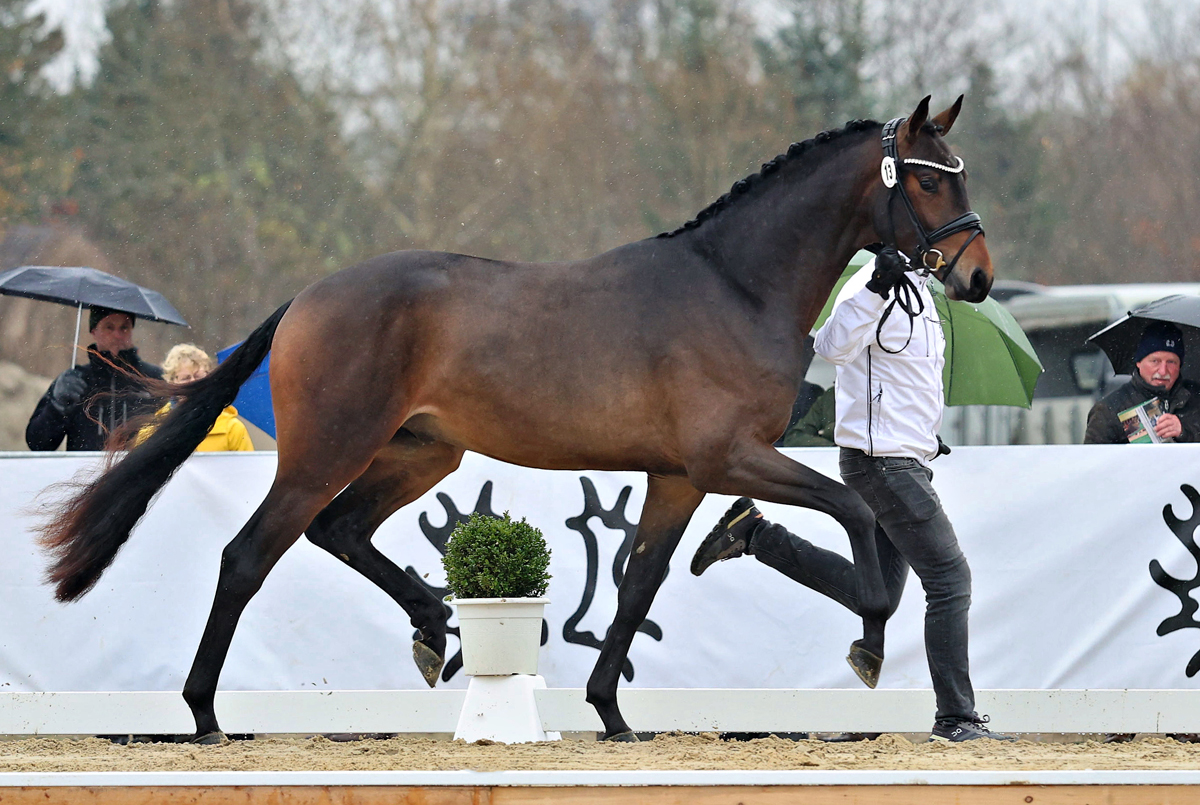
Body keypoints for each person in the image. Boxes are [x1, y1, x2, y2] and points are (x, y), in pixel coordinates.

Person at [692, 249, 1014, 743]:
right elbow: (832, 347)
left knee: (879, 597)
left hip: (906, 461)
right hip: (883, 464)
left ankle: (755, 534)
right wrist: (873, 288)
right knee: (950, 580)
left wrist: (926, 438)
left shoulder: (924, 294)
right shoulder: (874, 280)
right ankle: (956, 719)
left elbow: (907, 382)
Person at [26, 307, 163, 451]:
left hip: (138, 471)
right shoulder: (74, 381)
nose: (118, 335)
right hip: (84, 471)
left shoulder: (154, 379)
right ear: (94, 332)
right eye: (109, 327)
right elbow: (38, 444)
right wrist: (57, 407)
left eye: (124, 328)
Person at [1084, 321, 1198, 444]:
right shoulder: (1110, 408)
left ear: (1180, 365)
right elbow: (1093, 459)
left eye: (1171, 362)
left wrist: (1184, 432)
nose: (1163, 370)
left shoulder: (1196, 397)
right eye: (1155, 361)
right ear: (1138, 362)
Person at [136, 344, 254, 451]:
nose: (194, 384)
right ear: (172, 383)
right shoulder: (152, 432)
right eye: (185, 378)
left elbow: (249, 472)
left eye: (199, 376)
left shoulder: (232, 429)